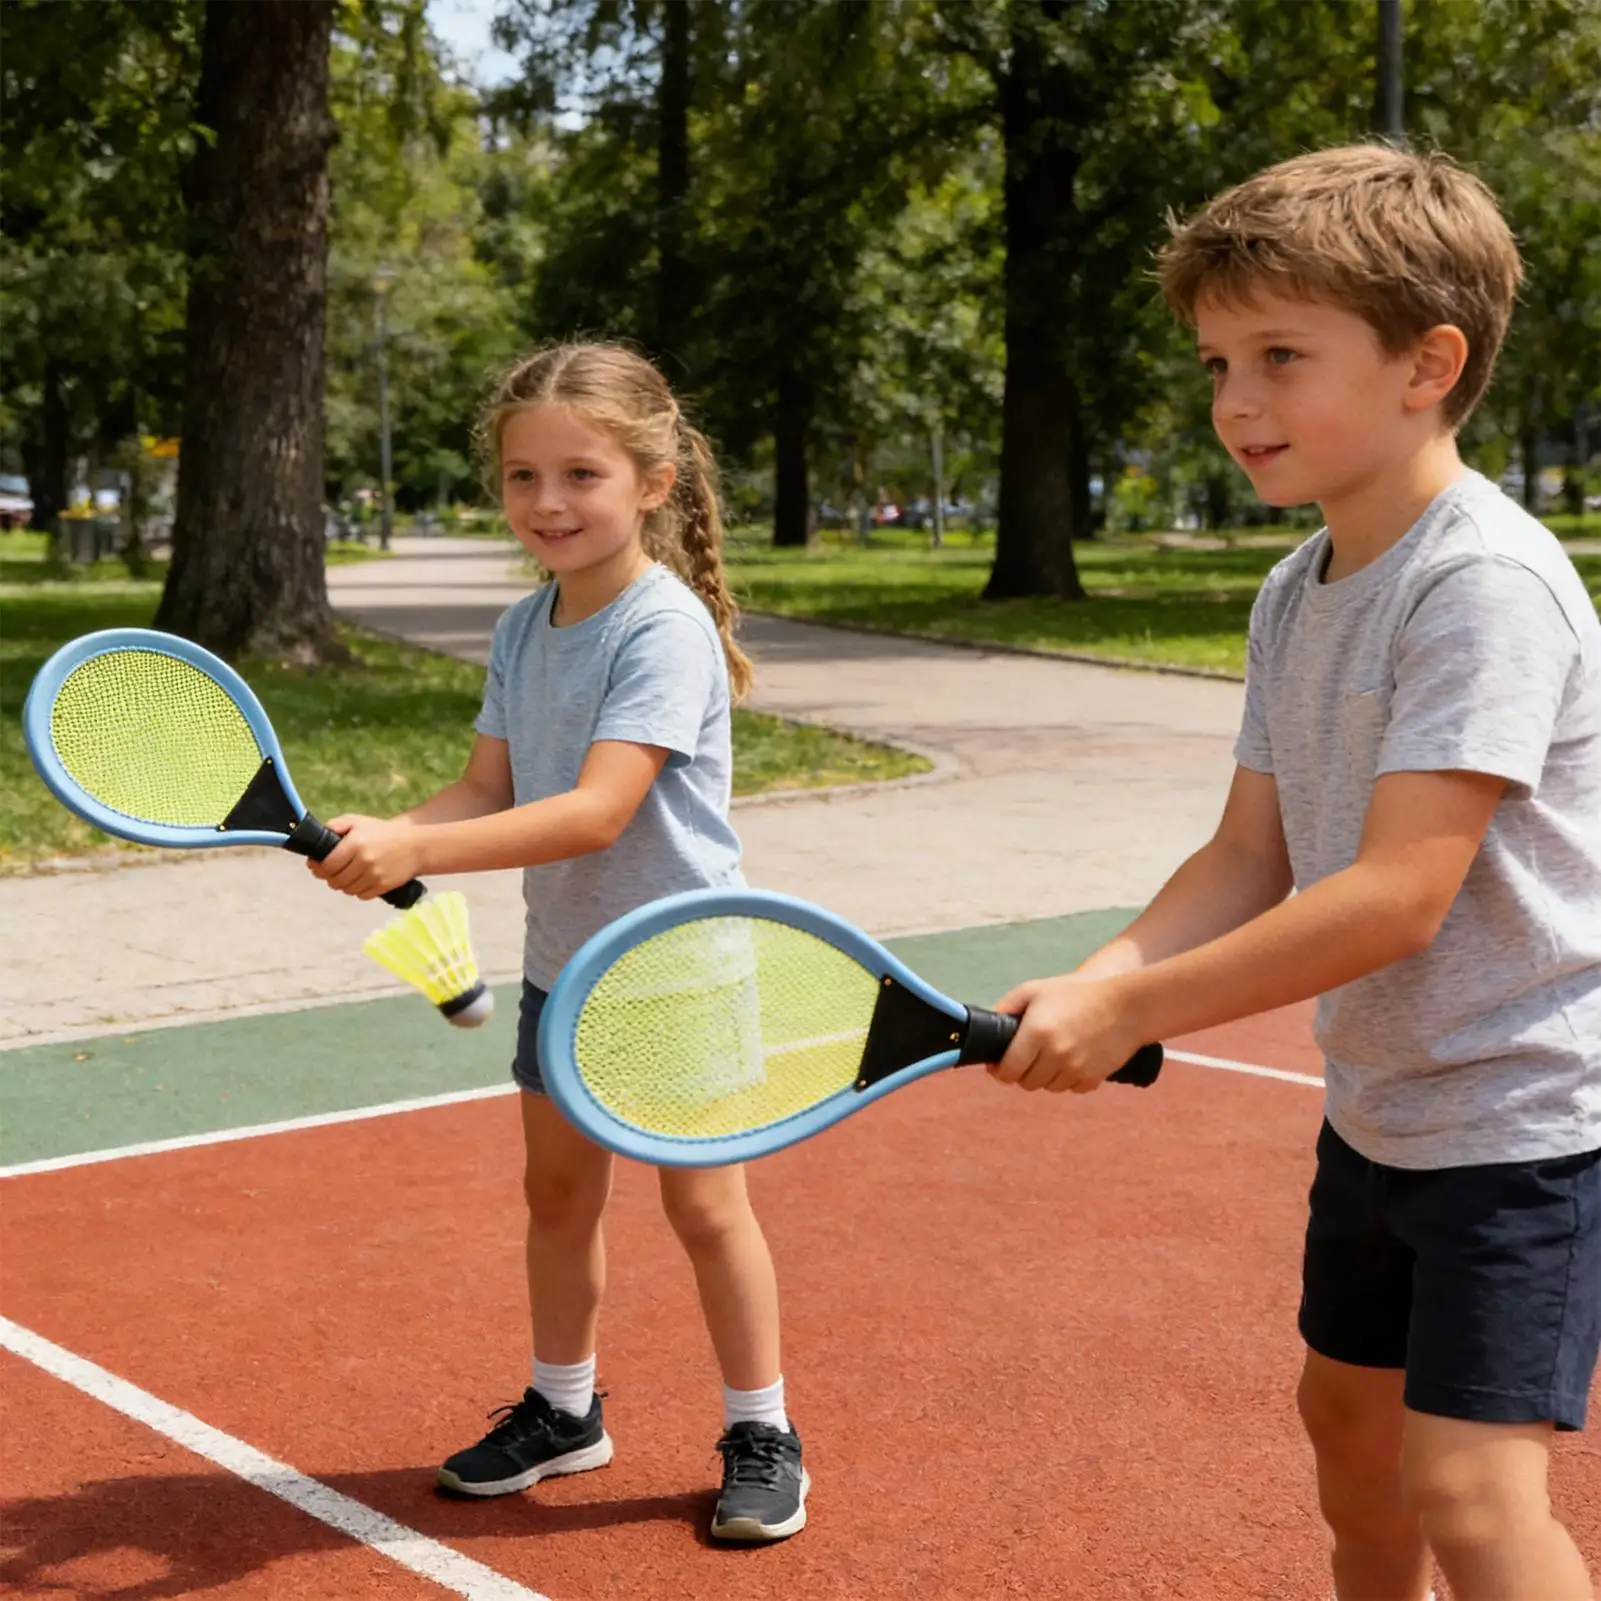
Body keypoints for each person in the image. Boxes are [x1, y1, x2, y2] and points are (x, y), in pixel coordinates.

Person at [989, 145, 1601, 1601]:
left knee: (1470, 1490)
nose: (1234, 401)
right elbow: (1246, 853)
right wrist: (1103, 973)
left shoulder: (1480, 583)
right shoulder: (1295, 587)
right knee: (1349, 1435)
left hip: (1518, 1123)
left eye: (1278, 355)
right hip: (1379, 1108)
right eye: (1217, 363)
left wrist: (1135, 1014)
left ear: (1426, 365)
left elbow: (1398, 893)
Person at [310, 342, 808, 1544]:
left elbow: (595, 811)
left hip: (676, 971)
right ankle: (563, 1409)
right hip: (564, 970)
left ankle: (763, 1429)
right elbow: (486, 786)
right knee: (556, 1195)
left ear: (651, 481)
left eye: (580, 473)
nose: (547, 501)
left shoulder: (662, 626)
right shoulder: (523, 625)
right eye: (522, 476)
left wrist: (419, 850)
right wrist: (388, 832)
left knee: (705, 1211)